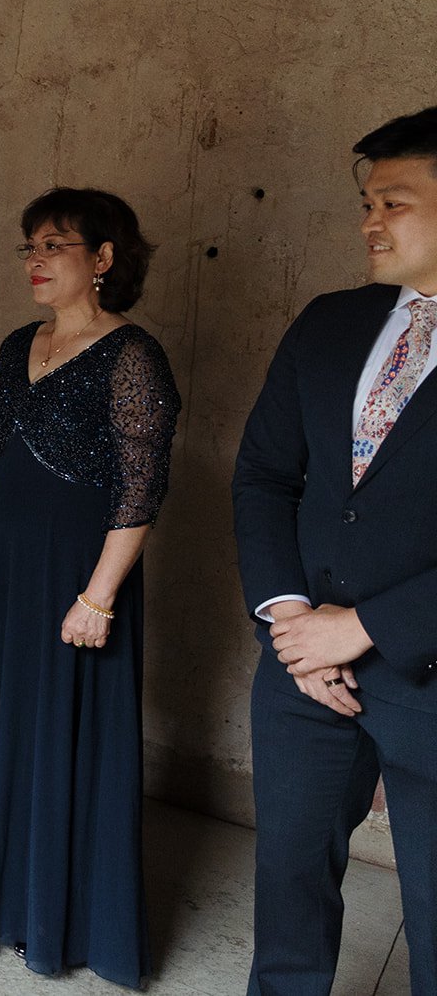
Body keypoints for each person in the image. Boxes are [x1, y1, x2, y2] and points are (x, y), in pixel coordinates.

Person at [0, 187, 180, 988]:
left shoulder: (132, 353)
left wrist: (100, 595)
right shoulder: (20, 343)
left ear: (104, 258)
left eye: (55, 245)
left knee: (64, 730)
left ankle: (58, 917)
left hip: (78, 570)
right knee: (3, 716)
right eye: (29, 247)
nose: (36, 260)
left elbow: (140, 489)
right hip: (8, 562)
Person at [233, 106, 437, 996]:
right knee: (287, 878)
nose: (369, 221)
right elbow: (264, 477)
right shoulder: (330, 321)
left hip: (425, 673)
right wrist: (289, 619)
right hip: (300, 664)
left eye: (394, 201)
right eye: (366, 201)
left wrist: (362, 627)